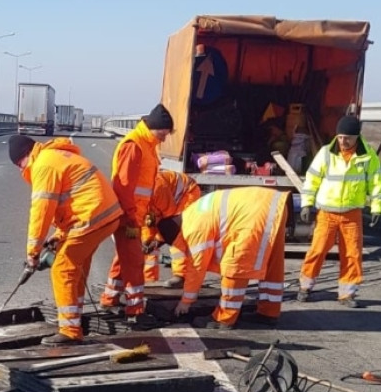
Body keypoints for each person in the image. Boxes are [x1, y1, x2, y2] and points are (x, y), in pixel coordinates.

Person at [8, 134, 123, 345]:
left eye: (19, 164)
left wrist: (33, 253)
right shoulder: (55, 156)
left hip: (92, 217)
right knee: (77, 266)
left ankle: (70, 331)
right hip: (104, 215)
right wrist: (58, 236)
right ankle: (75, 317)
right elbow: (71, 203)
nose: (20, 169)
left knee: (62, 268)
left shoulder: (44, 165)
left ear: (25, 156)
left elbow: (41, 212)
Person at [157, 186, 291, 329]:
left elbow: (197, 268)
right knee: (271, 263)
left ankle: (224, 318)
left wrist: (186, 301)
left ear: (177, 235)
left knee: (234, 266)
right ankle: (268, 312)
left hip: (254, 215)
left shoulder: (194, 229)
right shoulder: (191, 214)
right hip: (274, 205)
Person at [297, 115, 381, 307]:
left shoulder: (368, 156)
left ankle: (347, 294)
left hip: (351, 214)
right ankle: (305, 286)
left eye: (348, 138)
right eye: (340, 137)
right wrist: (306, 203)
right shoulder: (326, 154)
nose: (343, 142)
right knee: (317, 251)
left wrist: (377, 208)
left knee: (352, 254)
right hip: (326, 213)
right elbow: (312, 180)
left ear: (357, 137)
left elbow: (377, 183)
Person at [99, 103, 174, 324]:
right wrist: (131, 219)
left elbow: (144, 186)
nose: (165, 139)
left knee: (124, 259)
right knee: (134, 262)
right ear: (154, 127)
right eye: (163, 133)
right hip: (127, 216)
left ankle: (109, 299)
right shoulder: (134, 145)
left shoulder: (147, 145)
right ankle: (135, 311)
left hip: (135, 215)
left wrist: (147, 212)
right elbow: (123, 186)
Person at [142, 170, 201, 287]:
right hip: (164, 204)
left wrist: (158, 240)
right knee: (148, 243)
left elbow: (169, 221)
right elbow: (147, 222)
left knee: (176, 235)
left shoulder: (157, 187)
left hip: (188, 194)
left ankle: (180, 275)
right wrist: (147, 241)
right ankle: (149, 279)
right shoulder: (139, 194)